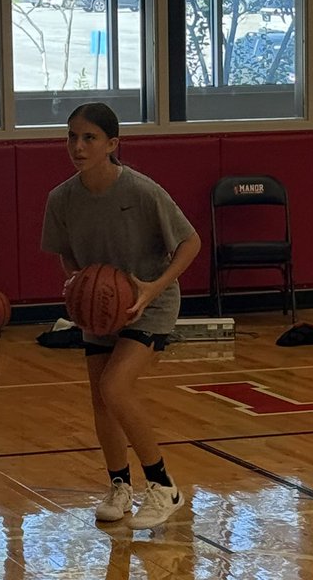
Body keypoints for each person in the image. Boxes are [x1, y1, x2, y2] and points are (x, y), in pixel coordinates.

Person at [41, 102, 201, 529]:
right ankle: (119, 486)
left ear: (112, 144)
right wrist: (79, 285)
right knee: (100, 398)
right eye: (72, 136)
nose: (78, 146)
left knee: (115, 386)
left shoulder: (142, 191)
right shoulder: (61, 199)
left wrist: (153, 287)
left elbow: (191, 243)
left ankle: (163, 486)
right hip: (102, 309)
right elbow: (67, 257)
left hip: (150, 303)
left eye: (89, 138)